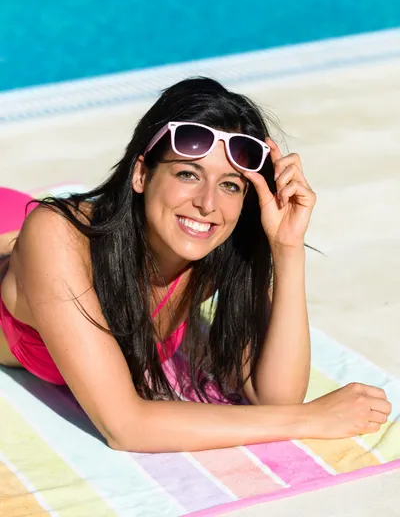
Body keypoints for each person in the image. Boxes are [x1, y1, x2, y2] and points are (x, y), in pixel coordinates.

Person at [0, 77, 391, 453]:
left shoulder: (215, 251)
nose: (207, 204)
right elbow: (124, 425)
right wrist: (309, 420)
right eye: (188, 174)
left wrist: (287, 249)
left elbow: (275, 394)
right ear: (141, 173)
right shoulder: (60, 237)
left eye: (230, 185)